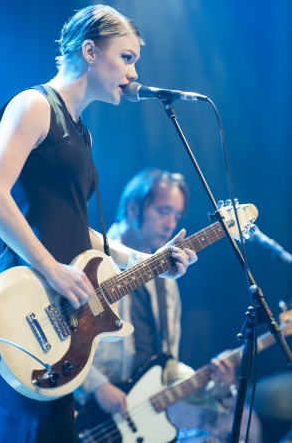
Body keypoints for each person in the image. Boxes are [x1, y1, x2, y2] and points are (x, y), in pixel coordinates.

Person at [0, 6, 198, 443]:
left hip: (60, 316)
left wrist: (151, 260)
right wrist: (51, 267)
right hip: (24, 299)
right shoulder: (35, 105)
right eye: (127, 57)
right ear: (90, 51)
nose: (133, 74)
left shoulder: (82, 131)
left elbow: (73, 225)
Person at [74, 168, 238, 427]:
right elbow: (63, 332)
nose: (171, 223)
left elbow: (166, 364)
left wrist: (215, 389)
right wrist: (97, 386)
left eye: (177, 215)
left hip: (138, 417)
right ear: (132, 208)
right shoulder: (94, 258)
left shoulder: (167, 275)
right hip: (88, 410)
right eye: (163, 211)